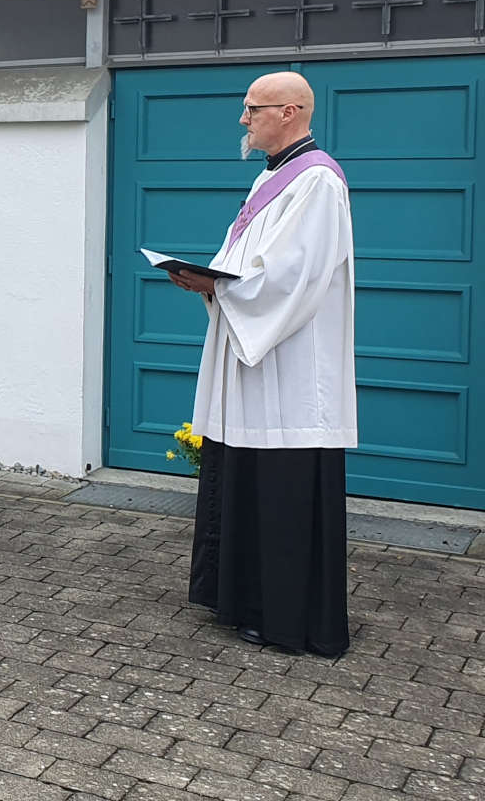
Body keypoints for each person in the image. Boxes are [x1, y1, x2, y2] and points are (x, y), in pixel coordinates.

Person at [174, 70, 354, 657]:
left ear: (291, 112)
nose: (244, 119)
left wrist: (223, 288)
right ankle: (244, 600)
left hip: (292, 365)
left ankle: (288, 618)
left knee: (283, 485)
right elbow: (245, 259)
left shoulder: (318, 181)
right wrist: (208, 281)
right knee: (247, 474)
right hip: (256, 359)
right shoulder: (269, 179)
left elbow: (295, 274)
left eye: (254, 109)